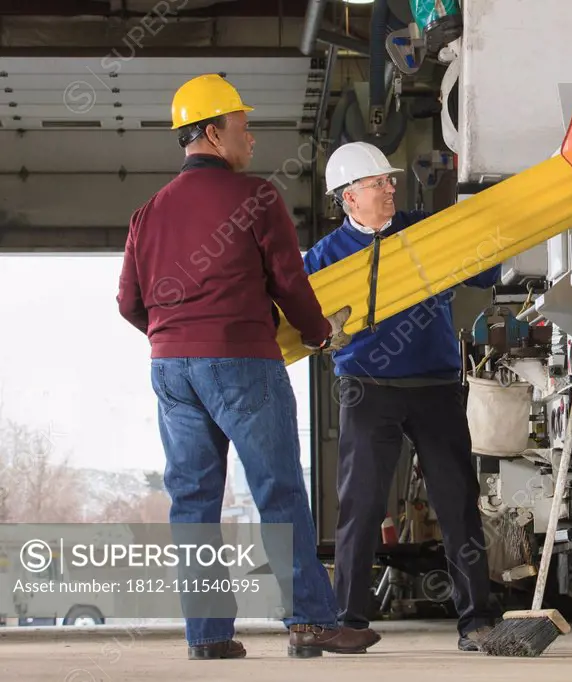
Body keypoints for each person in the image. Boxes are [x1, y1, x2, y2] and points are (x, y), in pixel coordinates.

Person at [116, 74, 381, 661]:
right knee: (279, 490)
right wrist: (318, 335)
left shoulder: (147, 213)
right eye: (242, 126)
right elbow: (290, 282)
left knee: (192, 502)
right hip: (240, 364)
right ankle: (311, 621)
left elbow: (130, 303)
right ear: (213, 132)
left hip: (171, 371)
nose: (252, 138)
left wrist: (175, 336)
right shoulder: (256, 198)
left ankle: (208, 636)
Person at [303, 141, 501, 652]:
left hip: (434, 385)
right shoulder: (322, 260)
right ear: (349, 198)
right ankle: (347, 618)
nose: (390, 189)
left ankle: (477, 621)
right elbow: (297, 322)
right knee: (361, 506)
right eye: (377, 184)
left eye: (390, 181)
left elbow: (486, 270)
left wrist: (493, 223)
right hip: (366, 389)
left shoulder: (424, 233)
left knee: (458, 502)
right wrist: (320, 333)